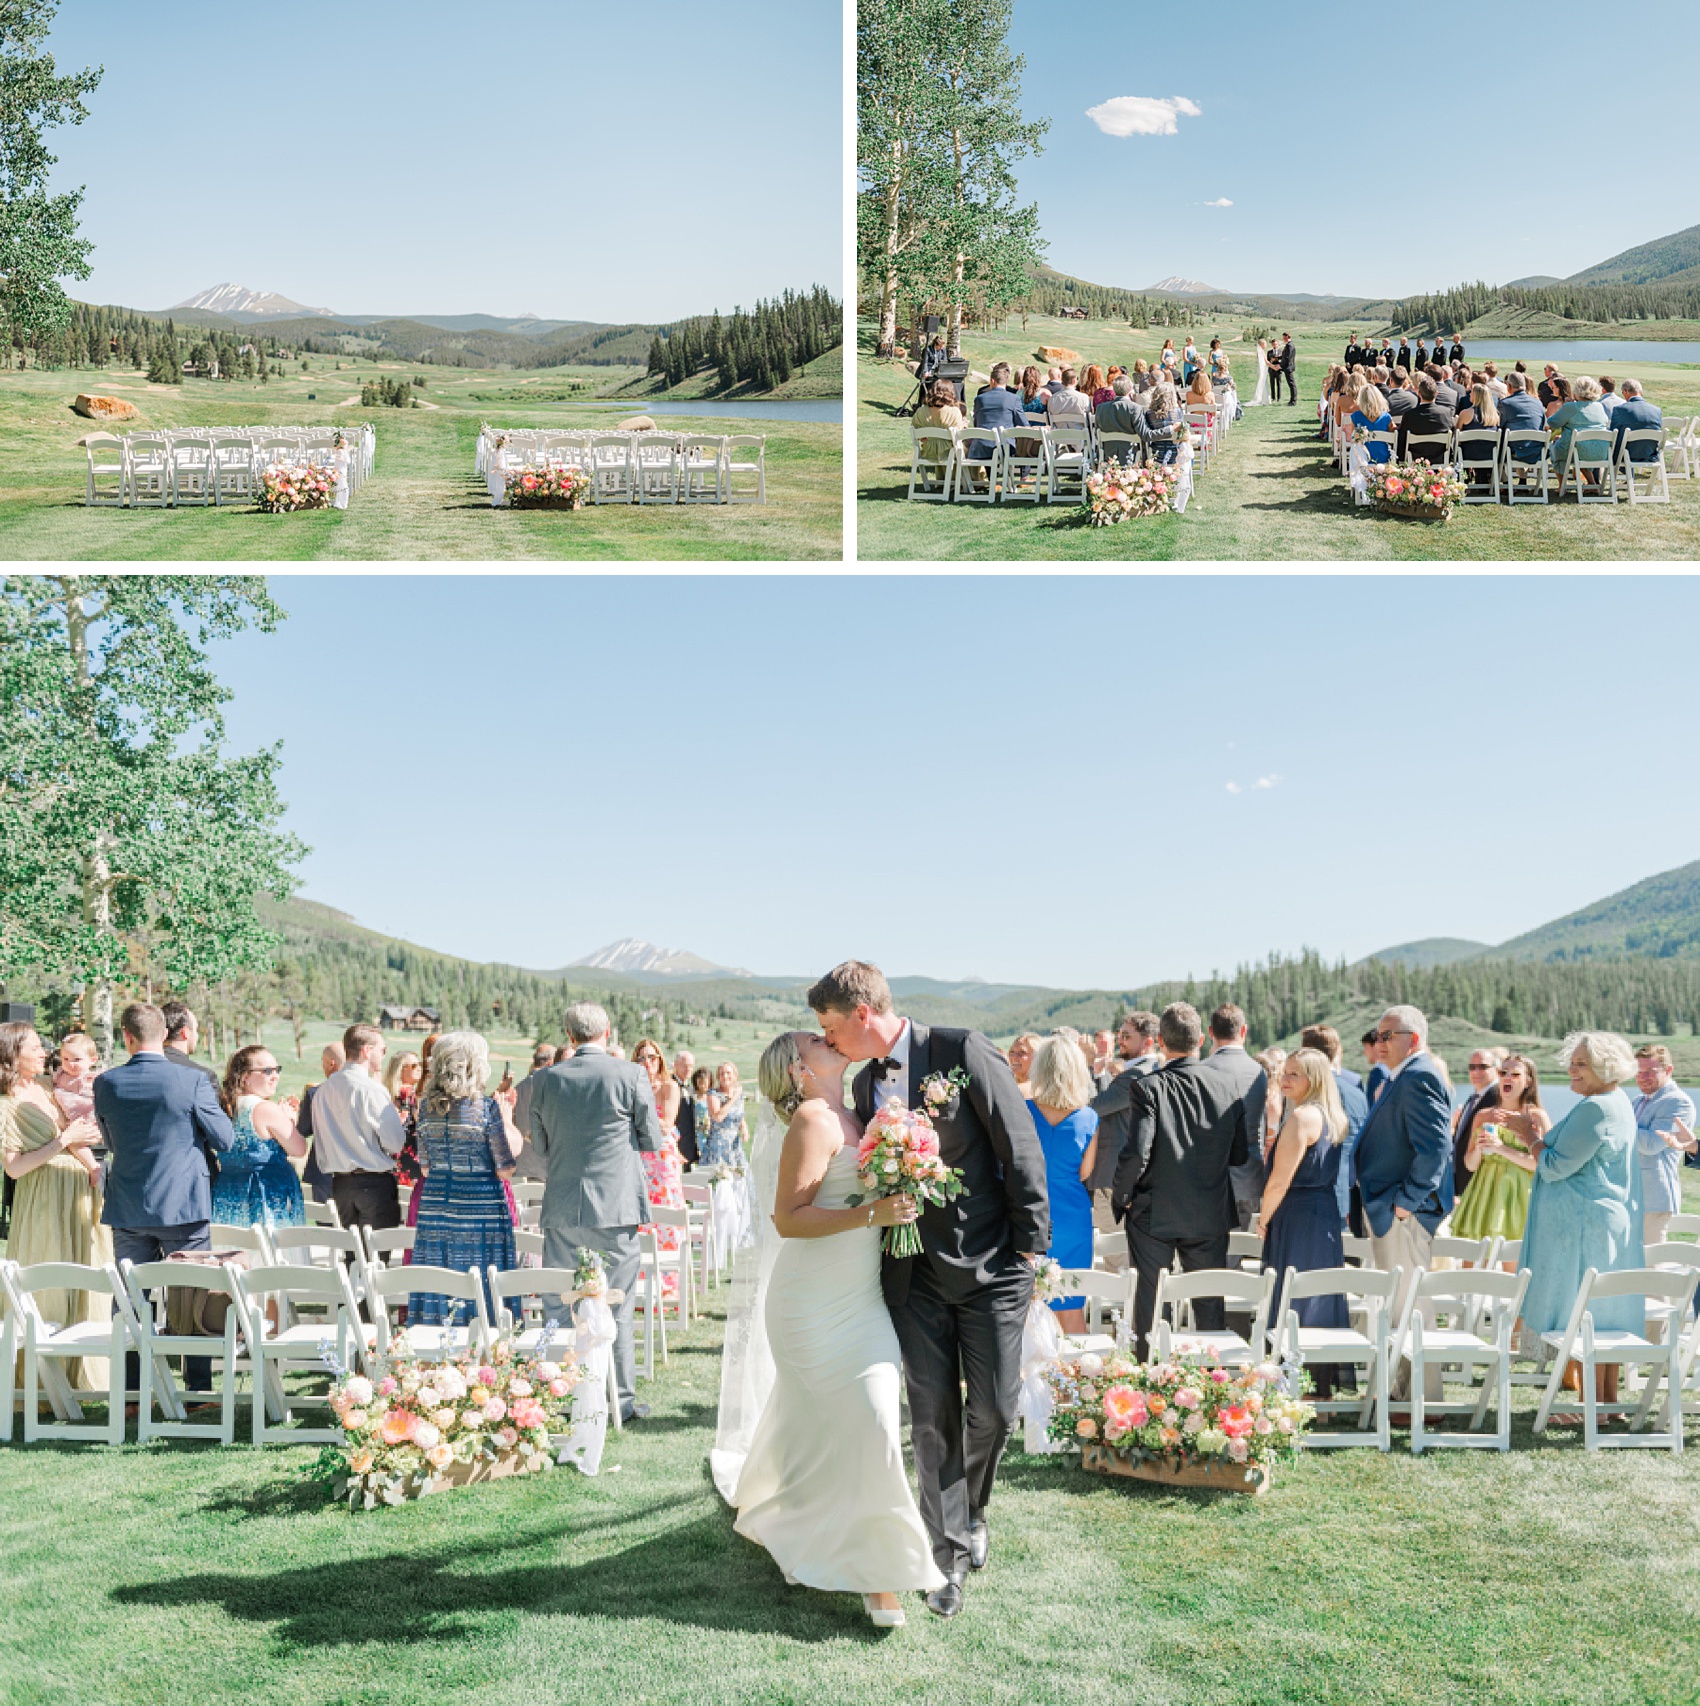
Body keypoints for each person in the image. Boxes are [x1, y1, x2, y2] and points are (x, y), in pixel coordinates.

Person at [810, 960, 1048, 1621]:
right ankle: (943, 1559)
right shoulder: (864, 1086)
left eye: (830, 1028)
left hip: (993, 1265)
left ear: (863, 1015)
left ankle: (973, 1511)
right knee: (932, 1419)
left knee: (995, 1412)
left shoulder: (961, 1050)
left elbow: (1018, 1143)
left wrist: (1030, 1247)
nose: (828, 1041)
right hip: (909, 1273)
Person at [722, 1030, 941, 1627]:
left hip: (863, 1297)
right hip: (808, 1304)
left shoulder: (858, 1111)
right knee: (867, 1422)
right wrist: (873, 1212)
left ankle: (795, 1509)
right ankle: (880, 1575)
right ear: (799, 1069)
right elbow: (788, 1220)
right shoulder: (813, 1123)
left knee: (864, 1415)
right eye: (817, 1039)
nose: (831, 1038)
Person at [526, 1001, 663, 1424]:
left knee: (558, 1304)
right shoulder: (631, 1074)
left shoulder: (544, 1080)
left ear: (569, 1036)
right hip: (617, 1205)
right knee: (617, 1307)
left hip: (564, 1202)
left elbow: (542, 1146)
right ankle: (619, 1400)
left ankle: (559, 1395)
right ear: (607, 1032)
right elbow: (652, 1140)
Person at [95, 1003, 236, 1396]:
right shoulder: (191, 1080)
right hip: (184, 1204)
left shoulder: (106, 1083)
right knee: (192, 1297)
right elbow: (224, 1139)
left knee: (128, 1299)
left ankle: (131, 1395)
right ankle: (196, 1392)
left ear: (127, 1036)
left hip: (127, 1203)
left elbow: (109, 1140)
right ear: (166, 1033)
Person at [1111, 1001, 1250, 1356]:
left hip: (1154, 1212)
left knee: (1152, 1303)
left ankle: (1151, 1379)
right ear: (1201, 1040)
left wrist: (1121, 1195)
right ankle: (1212, 1387)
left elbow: (1137, 1152)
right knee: (1208, 1302)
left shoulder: (1149, 1087)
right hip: (1209, 1210)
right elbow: (1239, 1155)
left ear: (1160, 1041)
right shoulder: (1228, 1086)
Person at [1522, 1033, 1645, 1408]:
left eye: (1581, 1064)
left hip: (1584, 1226)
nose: (1572, 1070)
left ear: (1605, 1067)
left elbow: (1557, 1166)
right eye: (1572, 1062)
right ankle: (1605, 1404)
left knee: (1585, 1311)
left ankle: (1594, 1407)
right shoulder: (1615, 1101)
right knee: (1603, 1313)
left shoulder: (1597, 1109)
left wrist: (1530, 1137)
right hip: (1600, 1222)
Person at [1, 1022, 111, 1393]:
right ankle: (43, 1385)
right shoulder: (5, 1103)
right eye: (34, 1047)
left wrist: (93, 1165)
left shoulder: (50, 1087)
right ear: (13, 1054)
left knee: (87, 1276)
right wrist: (64, 1140)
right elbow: (15, 1168)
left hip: (78, 1187)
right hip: (43, 1198)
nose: (43, 1052)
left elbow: (78, 1132)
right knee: (48, 1285)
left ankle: (82, 1378)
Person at [1351, 1004, 1453, 1403]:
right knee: (1400, 1305)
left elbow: (1436, 1148)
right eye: (1376, 1036)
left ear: (1412, 1039)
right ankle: (1403, 1391)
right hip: (1394, 1208)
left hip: (1404, 1213)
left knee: (1411, 1306)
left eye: (1385, 1036)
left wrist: (1406, 1203)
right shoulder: (1405, 1074)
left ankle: (1425, 1400)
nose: (1378, 1044)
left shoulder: (1419, 1076)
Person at [407, 1031, 523, 1328]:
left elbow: (426, 1167)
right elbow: (505, 1169)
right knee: (483, 1281)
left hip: (436, 1208)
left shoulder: (425, 1108)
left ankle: (435, 1348)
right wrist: (509, 1122)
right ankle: (486, 1350)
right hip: (480, 1212)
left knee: (438, 1279)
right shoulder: (485, 1108)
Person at [1260, 1049, 1351, 1393]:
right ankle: (1316, 1386)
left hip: (1296, 1214)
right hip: (1322, 1211)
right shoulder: (1332, 1115)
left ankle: (1293, 1384)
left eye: (1293, 1074)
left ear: (1312, 1080)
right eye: (1284, 1072)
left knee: (1293, 1295)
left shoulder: (1302, 1118)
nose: (1284, 1079)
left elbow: (1279, 1181)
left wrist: (1263, 1219)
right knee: (1316, 1296)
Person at [1025, 1035, 1098, 1335]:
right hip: (1073, 1218)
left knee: (1027, 1306)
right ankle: (1080, 1377)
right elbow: (1085, 1171)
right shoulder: (1089, 1118)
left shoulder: (1023, 1112)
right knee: (1070, 1306)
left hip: (1030, 1214)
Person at [308, 1022, 409, 1234]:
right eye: (382, 1050)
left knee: (352, 1256)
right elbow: (395, 1143)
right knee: (377, 1259)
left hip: (340, 1185)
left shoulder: (322, 1092)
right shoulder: (371, 1090)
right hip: (374, 1185)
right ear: (366, 1050)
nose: (383, 1055)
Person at [210, 1044, 307, 1241]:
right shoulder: (265, 1109)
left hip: (229, 1191)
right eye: (267, 1071)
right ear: (245, 1076)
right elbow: (299, 1149)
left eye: (277, 1070)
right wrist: (288, 1119)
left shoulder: (225, 1106)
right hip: (267, 1194)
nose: (275, 1076)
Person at [1450, 1052, 1547, 1246]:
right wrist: (1479, 1149)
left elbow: (1542, 1164)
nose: (1507, 1078)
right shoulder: (1483, 1116)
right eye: (1503, 1073)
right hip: (1483, 1195)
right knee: (1473, 1264)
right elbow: (1469, 1165)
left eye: (1515, 1074)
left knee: (1513, 1267)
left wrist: (1501, 1148)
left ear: (1528, 1082)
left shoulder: (1536, 1117)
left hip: (1518, 1197)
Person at [1300, 1025, 1369, 1232]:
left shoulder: (1306, 1093)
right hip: (1350, 1197)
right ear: (1337, 1051)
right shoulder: (1357, 1094)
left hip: (1312, 1199)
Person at [1203, 1004, 1267, 1230]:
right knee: (1239, 1250)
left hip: (1209, 1178)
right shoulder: (1259, 1072)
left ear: (1211, 1032)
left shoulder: (1203, 1070)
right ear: (1243, 1031)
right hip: (1249, 1175)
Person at [1632, 1045, 1696, 1246]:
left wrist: (1617, 1125)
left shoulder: (1677, 1102)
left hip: (1654, 1199)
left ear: (1668, 1070)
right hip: (1631, 1196)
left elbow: (1651, 1144)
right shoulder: (1637, 1101)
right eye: (1638, 1072)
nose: (1642, 1077)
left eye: (1649, 1072)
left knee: (1652, 1265)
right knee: (1630, 1267)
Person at [294, 1039, 343, 1202]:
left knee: (326, 1223)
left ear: (331, 1064)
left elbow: (303, 1130)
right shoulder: (366, 1092)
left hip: (323, 1171)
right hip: (357, 1172)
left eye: (323, 1062)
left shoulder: (315, 1094)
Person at [1451, 1050, 1502, 1198]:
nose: (1476, 1072)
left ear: (1497, 1070)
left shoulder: (1497, 1098)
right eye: (1472, 1067)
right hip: (1460, 1183)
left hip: (1479, 1186)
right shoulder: (1474, 1097)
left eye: (1483, 1067)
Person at [1548, 376, 1612, 485]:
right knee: (1580, 448)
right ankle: (1592, 484)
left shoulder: (1571, 407)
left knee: (1555, 446)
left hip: (1575, 450)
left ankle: (1561, 485)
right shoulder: (1599, 406)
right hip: (1601, 451)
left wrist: (1565, 406)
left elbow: (1552, 422)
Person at [510, 1042, 558, 1183]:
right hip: (544, 1166)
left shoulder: (517, 1088)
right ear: (550, 1063)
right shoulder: (549, 1088)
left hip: (521, 1164)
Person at [1395, 375, 1454, 461]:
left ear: (1419, 393)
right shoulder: (1446, 413)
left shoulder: (1410, 415)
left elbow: (1402, 441)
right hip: (1440, 459)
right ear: (1436, 393)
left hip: (1416, 460)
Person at [1610, 379, 1664, 465]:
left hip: (1625, 455)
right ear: (1641, 392)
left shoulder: (1620, 409)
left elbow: (1613, 434)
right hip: (1650, 455)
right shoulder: (1657, 410)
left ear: (1625, 391)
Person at [1498, 371, 1548, 463]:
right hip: (1536, 452)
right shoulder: (1537, 403)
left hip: (1515, 451)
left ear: (1508, 386)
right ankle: (1522, 478)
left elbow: (1498, 426)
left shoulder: (1505, 403)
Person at [1249, 338, 1270, 407]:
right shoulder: (1261, 352)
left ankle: (1264, 398)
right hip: (1262, 369)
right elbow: (1266, 362)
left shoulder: (1260, 352)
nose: (1266, 345)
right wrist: (1274, 367)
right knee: (1263, 383)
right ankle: (1264, 399)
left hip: (1261, 369)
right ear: (1262, 344)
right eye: (1265, 343)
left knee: (1263, 383)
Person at [1277, 333, 1297, 404]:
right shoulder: (1289, 345)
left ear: (1287, 337)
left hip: (1288, 368)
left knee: (1292, 384)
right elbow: (1284, 356)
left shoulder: (1289, 345)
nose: (1283, 339)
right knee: (1291, 384)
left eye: (1283, 337)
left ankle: (1293, 401)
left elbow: (1288, 358)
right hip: (1287, 367)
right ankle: (1292, 400)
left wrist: (1281, 366)